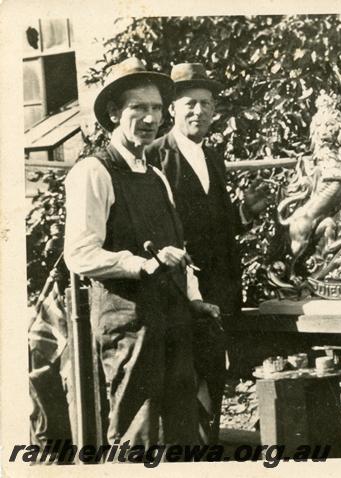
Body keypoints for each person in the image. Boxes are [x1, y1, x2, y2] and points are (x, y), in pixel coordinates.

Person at [64, 57, 219, 450]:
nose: (150, 118)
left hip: (174, 324)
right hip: (130, 329)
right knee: (140, 439)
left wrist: (195, 300)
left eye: (155, 108)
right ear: (115, 112)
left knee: (183, 437)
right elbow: (80, 254)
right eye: (138, 108)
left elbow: (178, 251)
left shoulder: (157, 176)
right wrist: (141, 264)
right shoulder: (93, 172)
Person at [145, 63, 269, 444]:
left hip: (220, 288)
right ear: (172, 110)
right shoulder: (155, 155)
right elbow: (154, 227)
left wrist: (245, 212)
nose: (199, 112)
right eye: (190, 104)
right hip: (180, 291)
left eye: (206, 104)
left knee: (215, 374)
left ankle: (209, 448)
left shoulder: (214, 158)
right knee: (183, 381)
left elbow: (216, 223)